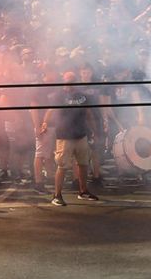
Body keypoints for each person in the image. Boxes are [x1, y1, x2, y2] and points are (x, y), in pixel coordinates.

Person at [43, 73, 100, 206]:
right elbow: (50, 110)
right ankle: (56, 195)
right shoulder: (58, 95)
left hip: (81, 135)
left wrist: (94, 131)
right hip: (64, 136)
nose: (70, 83)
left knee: (83, 164)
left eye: (73, 81)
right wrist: (45, 122)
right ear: (63, 82)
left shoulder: (83, 96)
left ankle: (83, 191)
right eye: (68, 81)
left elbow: (88, 114)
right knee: (62, 166)